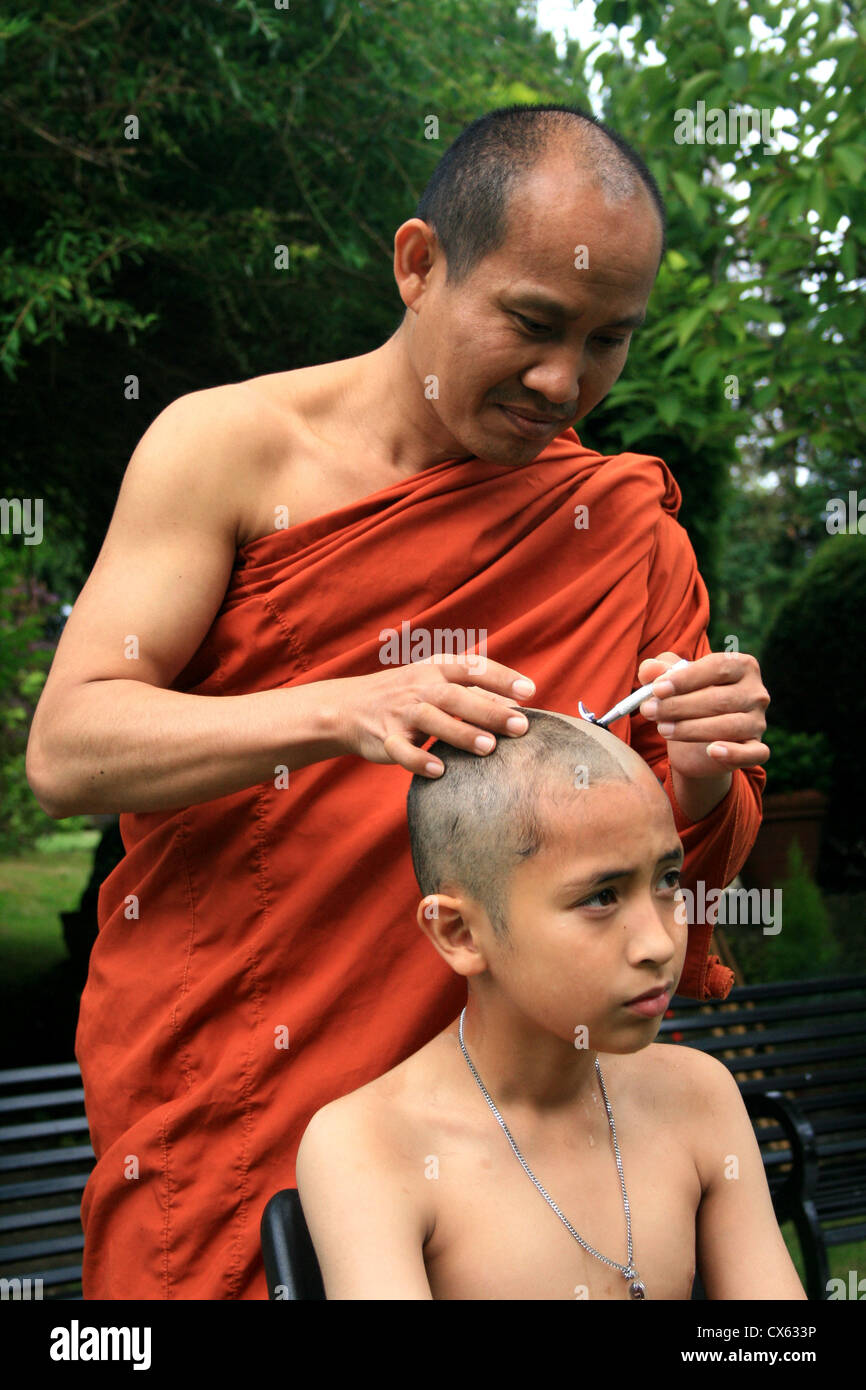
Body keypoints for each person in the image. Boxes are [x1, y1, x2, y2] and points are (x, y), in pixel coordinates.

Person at [24, 102, 770, 1300]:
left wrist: (695, 769)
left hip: (508, 1150)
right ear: (418, 264)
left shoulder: (619, 525)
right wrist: (339, 709)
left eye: (606, 341)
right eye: (531, 323)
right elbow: (69, 746)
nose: (560, 382)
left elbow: (674, 863)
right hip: (241, 1085)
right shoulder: (230, 450)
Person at [296, 711, 803, 1301]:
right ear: (460, 933)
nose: (660, 943)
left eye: (668, 881)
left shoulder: (696, 1095)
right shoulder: (372, 1145)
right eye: (601, 897)